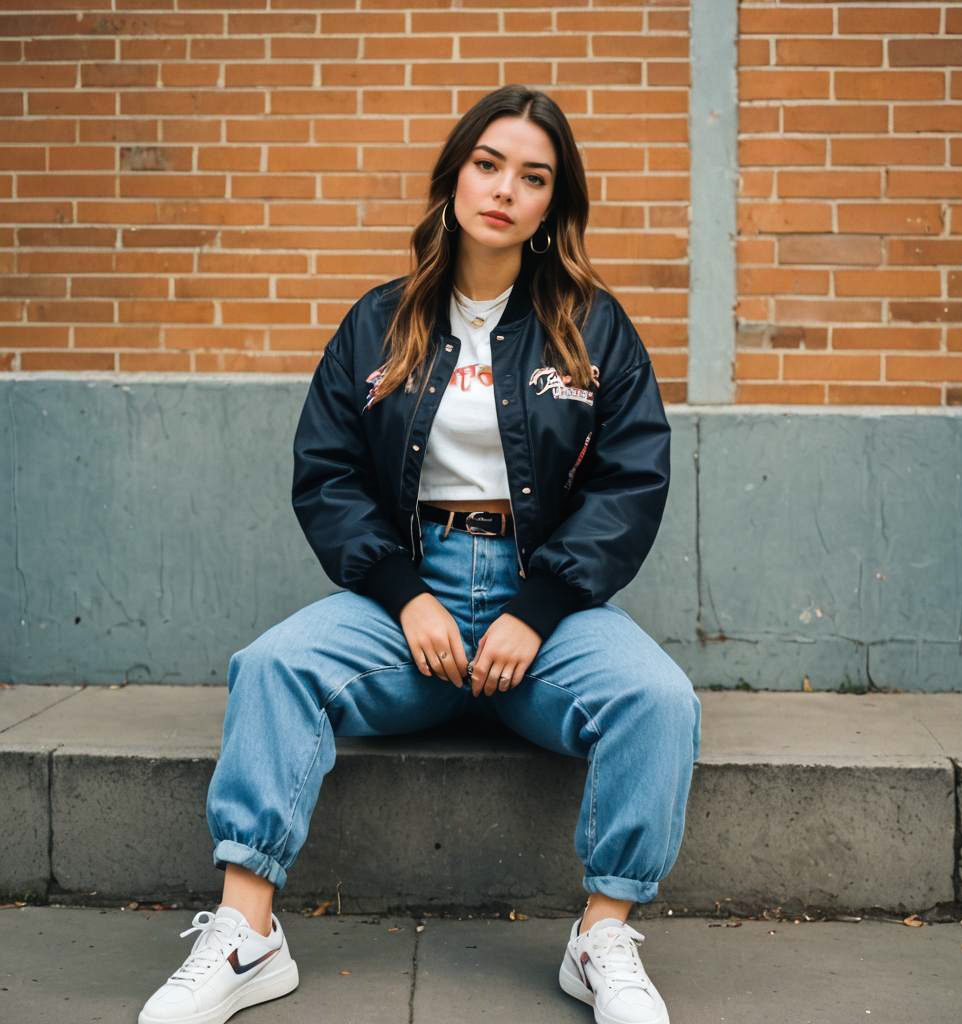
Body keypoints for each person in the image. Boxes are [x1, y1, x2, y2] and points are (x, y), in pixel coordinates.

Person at [138, 84, 701, 1024]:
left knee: (659, 701)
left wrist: (539, 607)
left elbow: (631, 485)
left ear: (552, 206)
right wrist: (404, 594)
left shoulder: (593, 327)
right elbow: (325, 474)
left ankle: (601, 935)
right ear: (453, 178)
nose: (504, 190)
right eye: (488, 165)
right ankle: (247, 935)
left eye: (533, 177)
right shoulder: (379, 322)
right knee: (274, 667)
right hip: (408, 608)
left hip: (539, 606)